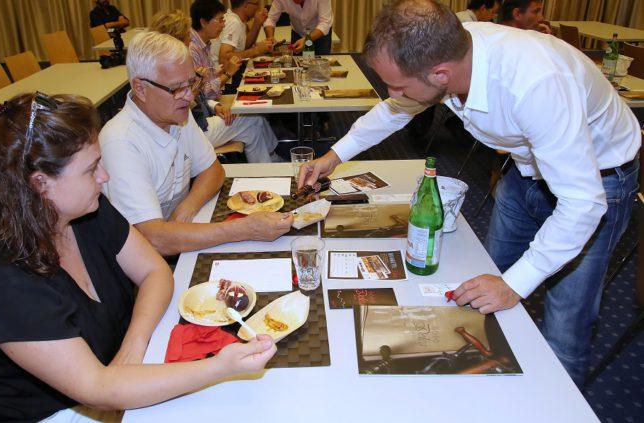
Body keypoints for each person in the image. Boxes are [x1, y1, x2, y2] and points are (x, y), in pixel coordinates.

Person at [298, 0, 641, 388]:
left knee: (564, 321)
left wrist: (515, 284)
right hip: (526, 168)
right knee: (483, 286)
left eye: (398, 84)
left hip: (598, 182)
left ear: (441, 74)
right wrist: (334, 154)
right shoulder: (449, 51)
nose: (393, 93)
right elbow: (394, 110)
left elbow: (582, 203)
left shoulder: (534, 83)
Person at [0, 93, 277, 421]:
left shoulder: (85, 210)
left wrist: (133, 346)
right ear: (40, 184)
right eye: (91, 169)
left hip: (102, 384)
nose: (104, 177)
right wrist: (221, 366)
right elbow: (99, 390)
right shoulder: (2, 279)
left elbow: (155, 272)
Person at [100, 31, 292, 256]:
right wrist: (242, 229)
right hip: (145, 262)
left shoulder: (176, 111)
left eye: (191, 83)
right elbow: (153, 240)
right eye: (177, 88)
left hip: (181, 236)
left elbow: (213, 171)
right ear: (140, 88)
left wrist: (185, 210)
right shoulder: (120, 142)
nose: (190, 97)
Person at [151, 7, 282, 163]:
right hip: (192, 130)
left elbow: (198, 98)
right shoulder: (172, 67)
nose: (190, 39)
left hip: (199, 120)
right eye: (187, 35)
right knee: (253, 120)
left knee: (252, 127)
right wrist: (223, 76)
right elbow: (182, 105)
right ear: (176, 39)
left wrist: (214, 106)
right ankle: (269, 164)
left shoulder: (174, 60)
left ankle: (266, 169)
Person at [211, 0, 274, 66]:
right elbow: (224, 59)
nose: (258, 7)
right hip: (220, 73)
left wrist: (257, 23)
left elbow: (243, 47)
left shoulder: (237, 19)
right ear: (246, 5)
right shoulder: (234, 22)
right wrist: (255, 50)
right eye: (256, 4)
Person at [264, 0, 334, 55]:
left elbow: (325, 22)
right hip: (297, 34)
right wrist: (270, 38)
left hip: (319, 35)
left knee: (321, 67)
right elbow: (271, 19)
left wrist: (306, 39)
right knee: (297, 67)